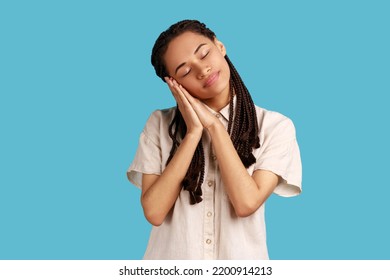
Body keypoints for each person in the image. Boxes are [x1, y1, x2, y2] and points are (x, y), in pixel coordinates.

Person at [127, 19, 302, 260]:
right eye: (185, 71)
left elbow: (246, 203)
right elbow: (154, 212)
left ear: (219, 46)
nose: (202, 70)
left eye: (204, 53)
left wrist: (214, 126)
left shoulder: (275, 126)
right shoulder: (159, 124)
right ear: (175, 84)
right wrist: (192, 134)